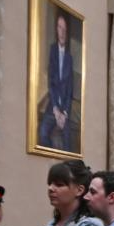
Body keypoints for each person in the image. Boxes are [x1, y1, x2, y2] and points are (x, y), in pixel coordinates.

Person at [38, 13, 75, 152]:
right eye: (60, 28)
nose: (62, 32)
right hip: (52, 108)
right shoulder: (52, 51)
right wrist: (55, 109)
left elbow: (70, 90)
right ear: (56, 30)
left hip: (64, 111)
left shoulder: (69, 58)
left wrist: (64, 113)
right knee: (42, 132)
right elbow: (51, 84)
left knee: (68, 144)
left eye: (64, 29)